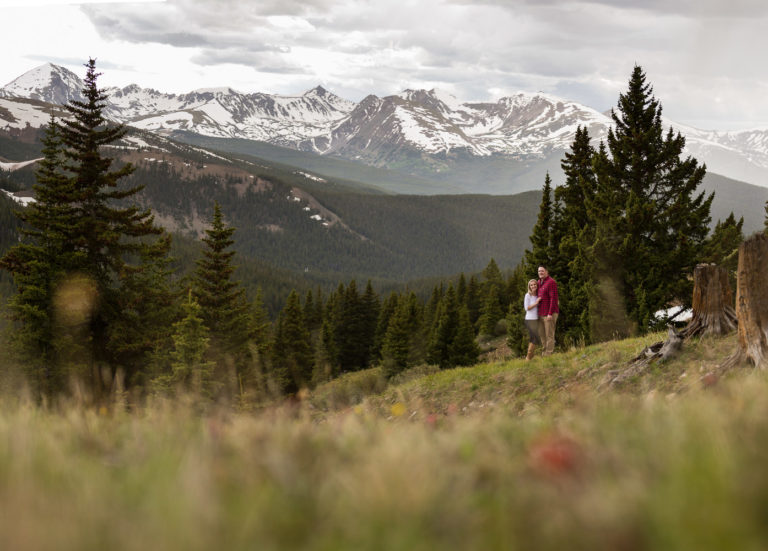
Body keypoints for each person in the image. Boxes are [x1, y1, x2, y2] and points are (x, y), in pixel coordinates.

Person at [537, 265, 559, 356]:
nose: (540, 273)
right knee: (542, 335)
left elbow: (553, 299)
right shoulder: (539, 282)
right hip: (541, 313)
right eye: (539, 271)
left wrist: (550, 313)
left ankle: (548, 354)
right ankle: (544, 352)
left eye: (542, 271)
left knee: (549, 335)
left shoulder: (551, 282)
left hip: (550, 313)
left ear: (547, 271)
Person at [524, 279, 542, 360]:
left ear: (537, 285)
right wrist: (536, 303)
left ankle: (530, 356)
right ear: (529, 287)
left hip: (536, 319)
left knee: (535, 338)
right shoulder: (528, 295)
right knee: (534, 338)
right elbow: (527, 308)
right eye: (531, 285)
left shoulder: (538, 295)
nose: (533, 286)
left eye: (535, 284)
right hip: (529, 319)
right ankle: (528, 357)